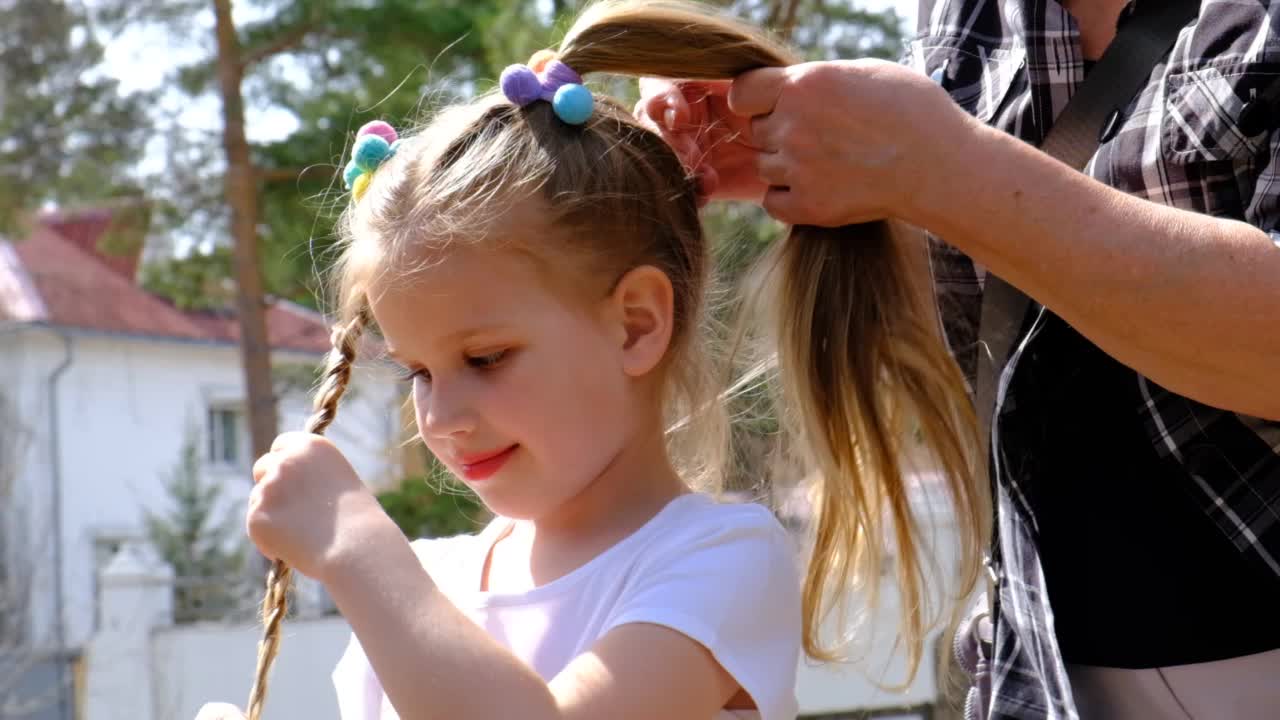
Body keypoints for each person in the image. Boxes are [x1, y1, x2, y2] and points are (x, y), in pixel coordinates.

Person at [193, 3, 996, 719]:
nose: (441, 416)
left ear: (635, 325)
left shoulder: (716, 562)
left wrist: (359, 551)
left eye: (486, 356)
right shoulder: (430, 586)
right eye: (419, 373)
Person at [636, 0, 1280, 718]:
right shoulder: (965, 14)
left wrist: (939, 168)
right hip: (1033, 675)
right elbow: (1000, 334)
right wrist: (819, 163)